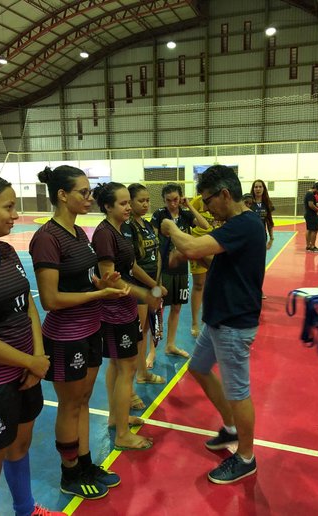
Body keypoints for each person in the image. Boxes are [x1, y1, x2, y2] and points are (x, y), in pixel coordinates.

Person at [160, 165, 266, 484]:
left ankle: (246, 456)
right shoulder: (236, 225)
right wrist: (191, 256)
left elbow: (192, 245)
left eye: (207, 200)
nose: (206, 207)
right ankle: (231, 428)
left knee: (238, 391)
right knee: (199, 367)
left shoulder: (244, 223)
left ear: (224, 194)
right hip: (219, 319)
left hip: (233, 323)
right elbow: (217, 260)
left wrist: (171, 228)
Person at [29, 166, 124, 500]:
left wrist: (101, 283)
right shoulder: (46, 239)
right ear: (62, 195)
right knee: (70, 405)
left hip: (90, 329)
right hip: (67, 336)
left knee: (82, 400)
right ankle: (69, 473)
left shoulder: (79, 232)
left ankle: (85, 463)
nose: (89, 197)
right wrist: (99, 295)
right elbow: (52, 300)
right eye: (83, 192)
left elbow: (83, 278)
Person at [0, 175, 64, 516]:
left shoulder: (5, 251)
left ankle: (24, 509)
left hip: (25, 372)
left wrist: (36, 357)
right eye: (7, 206)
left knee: (20, 444)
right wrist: (29, 361)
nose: (15, 213)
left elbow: (29, 305)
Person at [92, 182, 158, 450]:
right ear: (107, 206)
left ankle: (115, 417)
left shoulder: (120, 231)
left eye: (128, 202)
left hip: (125, 307)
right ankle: (122, 434)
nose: (128, 207)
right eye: (122, 203)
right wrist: (144, 294)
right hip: (115, 311)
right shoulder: (104, 234)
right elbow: (110, 280)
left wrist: (153, 286)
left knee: (118, 366)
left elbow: (130, 265)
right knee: (126, 367)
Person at [151, 183, 209, 358]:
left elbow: (204, 225)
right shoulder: (159, 215)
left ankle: (170, 344)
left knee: (176, 308)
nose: (172, 204)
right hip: (164, 269)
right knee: (157, 309)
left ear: (180, 198)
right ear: (164, 200)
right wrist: (156, 275)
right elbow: (154, 241)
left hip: (182, 269)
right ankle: (152, 351)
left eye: (175, 199)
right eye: (168, 200)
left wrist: (189, 205)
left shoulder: (185, 214)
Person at [126, 183, 167, 374]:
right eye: (140, 200)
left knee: (151, 324)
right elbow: (132, 265)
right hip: (140, 286)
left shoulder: (148, 224)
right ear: (130, 201)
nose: (145, 204)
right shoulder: (128, 227)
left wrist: (157, 283)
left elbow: (157, 253)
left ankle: (146, 364)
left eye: (147, 200)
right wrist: (153, 286)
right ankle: (140, 373)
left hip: (153, 282)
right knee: (140, 330)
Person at [189, 194, 216, 338]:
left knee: (212, 284)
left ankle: (208, 318)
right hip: (199, 244)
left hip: (214, 243)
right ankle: (194, 322)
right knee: (199, 284)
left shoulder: (219, 200)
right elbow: (190, 220)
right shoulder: (196, 202)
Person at [249, 180, 275, 250]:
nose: (258, 189)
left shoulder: (267, 203)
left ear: (264, 189)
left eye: (260, 187)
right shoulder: (248, 203)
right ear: (253, 189)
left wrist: (271, 239)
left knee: (261, 259)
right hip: (249, 237)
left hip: (262, 237)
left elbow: (269, 222)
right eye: (256, 187)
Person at [304, 184, 318, 252]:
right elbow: (310, 205)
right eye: (317, 191)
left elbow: (311, 204)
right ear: (315, 188)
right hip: (311, 215)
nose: (317, 193)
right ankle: (312, 246)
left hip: (308, 214)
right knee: (314, 230)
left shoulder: (308, 193)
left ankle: (308, 245)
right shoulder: (310, 194)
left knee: (309, 230)